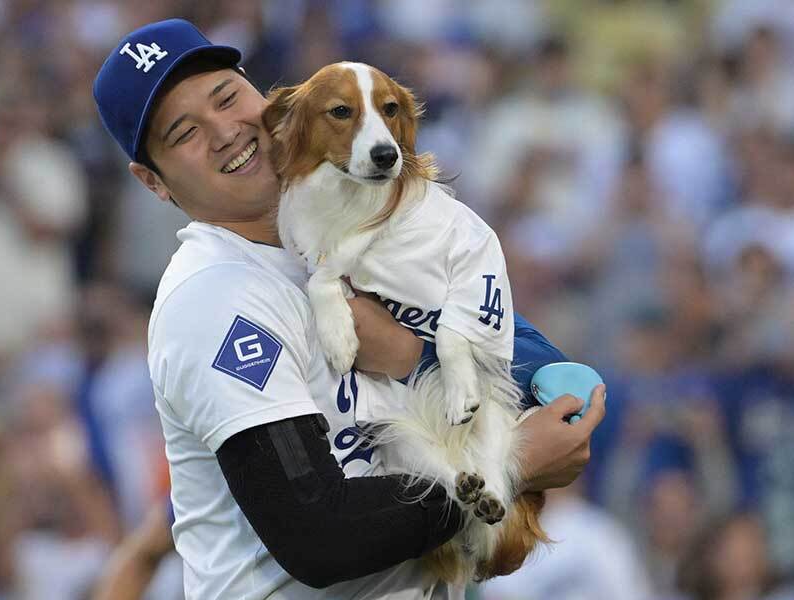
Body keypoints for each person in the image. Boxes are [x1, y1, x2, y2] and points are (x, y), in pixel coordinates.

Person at [93, 19, 606, 600]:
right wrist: (512, 464)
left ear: (267, 99)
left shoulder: (354, 208)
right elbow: (318, 532)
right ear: (152, 181)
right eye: (184, 132)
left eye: (227, 97)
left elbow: (532, 364)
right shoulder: (214, 297)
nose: (224, 133)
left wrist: (412, 355)